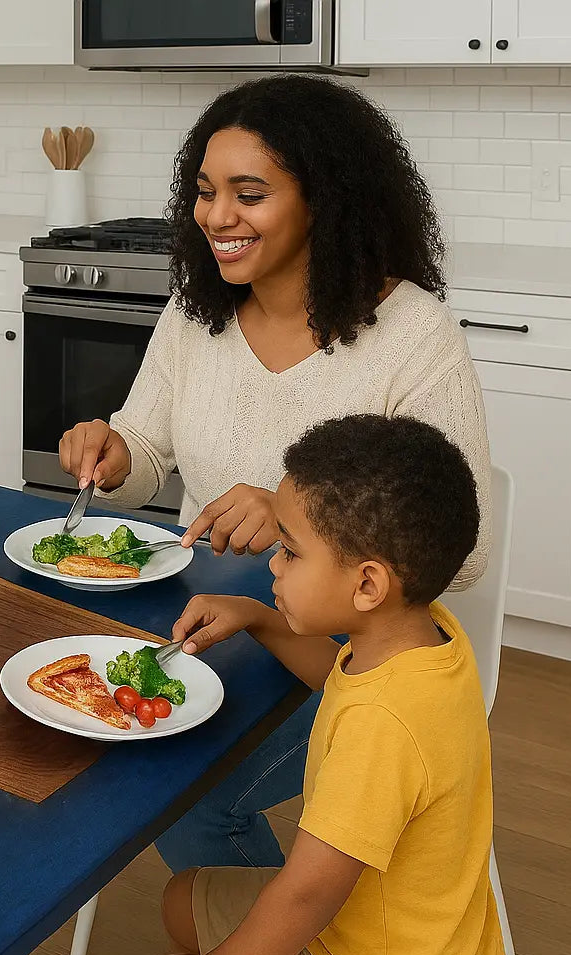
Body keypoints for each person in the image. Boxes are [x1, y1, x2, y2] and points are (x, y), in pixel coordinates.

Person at [58, 74, 492, 873]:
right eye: (205, 191)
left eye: (248, 193)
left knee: (182, 779)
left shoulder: (413, 335)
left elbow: (459, 554)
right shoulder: (197, 315)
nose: (216, 216)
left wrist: (303, 524)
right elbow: (144, 450)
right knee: (79, 699)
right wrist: (113, 454)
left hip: (352, 648)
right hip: (213, 610)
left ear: (325, 199)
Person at [104, 414, 505, 955]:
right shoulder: (421, 634)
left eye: (290, 551)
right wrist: (260, 618)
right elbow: (336, 680)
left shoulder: (384, 726)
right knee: (181, 901)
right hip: (406, 934)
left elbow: (308, 894)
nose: (274, 566)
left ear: (367, 584)